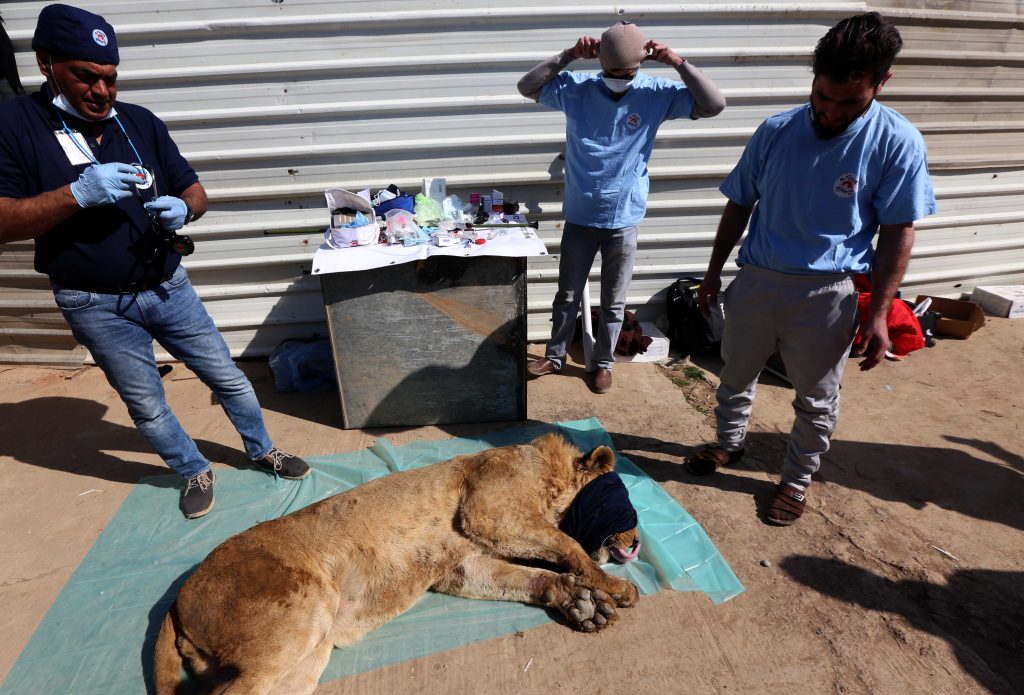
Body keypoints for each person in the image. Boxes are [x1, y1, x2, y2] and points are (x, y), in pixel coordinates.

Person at [0, 4, 311, 520]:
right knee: (145, 403)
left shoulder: (140, 122)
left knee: (227, 378)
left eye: (110, 79)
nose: (102, 92)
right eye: (85, 77)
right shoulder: (15, 124)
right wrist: (77, 194)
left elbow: (195, 189)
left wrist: (184, 207)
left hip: (167, 287)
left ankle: (261, 450)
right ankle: (192, 468)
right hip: (93, 302)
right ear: (45, 62)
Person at [686, 12, 936, 525]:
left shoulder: (897, 142)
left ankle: (796, 481)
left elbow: (898, 232)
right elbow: (739, 203)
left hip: (828, 293)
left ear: (881, 82)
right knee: (734, 375)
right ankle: (728, 445)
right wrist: (714, 272)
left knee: (816, 399)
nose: (829, 111)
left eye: (848, 102)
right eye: (822, 96)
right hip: (756, 280)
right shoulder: (776, 130)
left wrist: (880, 315)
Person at [518, 21, 725, 394]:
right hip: (580, 215)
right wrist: (567, 55)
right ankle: (555, 355)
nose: (619, 78)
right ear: (598, 62)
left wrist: (678, 62)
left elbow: (714, 105)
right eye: (611, 71)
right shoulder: (576, 88)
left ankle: (603, 363)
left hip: (624, 218)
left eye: (626, 72)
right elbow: (527, 86)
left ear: (640, 66)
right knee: (567, 294)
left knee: (614, 301)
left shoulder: (656, 93)